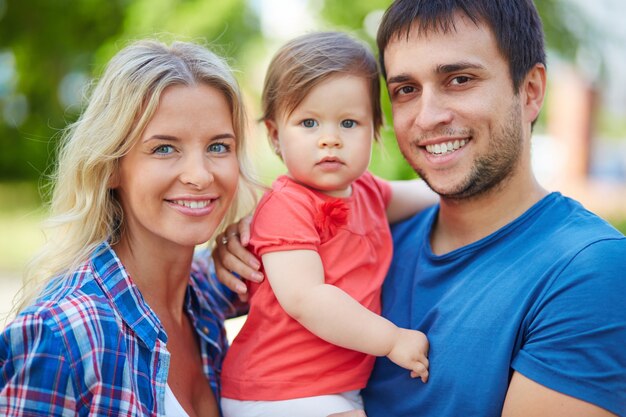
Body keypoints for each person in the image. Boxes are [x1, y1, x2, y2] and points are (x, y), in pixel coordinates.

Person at [214, 1, 626, 416]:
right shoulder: (380, 233)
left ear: (531, 92)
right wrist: (248, 235)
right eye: (406, 90)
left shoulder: (586, 269)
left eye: (460, 79)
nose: (428, 117)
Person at [0, 39, 255, 416]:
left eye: (218, 147)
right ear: (112, 167)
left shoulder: (207, 294)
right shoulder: (63, 333)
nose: (200, 176)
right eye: (164, 148)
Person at [218, 31, 436, 417]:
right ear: (274, 135)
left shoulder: (368, 191)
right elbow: (307, 299)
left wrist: (465, 188)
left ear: (375, 129)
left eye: (349, 123)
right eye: (308, 123)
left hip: (332, 386)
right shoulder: (288, 206)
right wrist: (391, 340)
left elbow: (431, 192)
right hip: (278, 387)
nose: (330, 139)